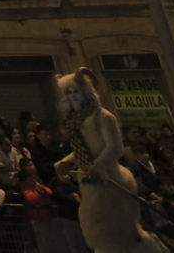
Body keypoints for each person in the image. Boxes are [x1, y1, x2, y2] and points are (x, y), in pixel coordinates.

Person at [54, 68, 164, 253]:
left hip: (111, 179)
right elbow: (83, 149)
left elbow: (115, 147)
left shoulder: (103, 116)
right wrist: (66, 162)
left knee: (118, 231)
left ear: (87, 91)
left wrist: (97, 166)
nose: (73, 96)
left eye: (76, 91)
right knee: (100, 233)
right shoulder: (77, 121)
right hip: (91, 182)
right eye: (69, 92)